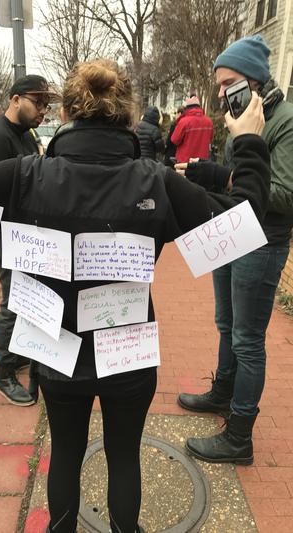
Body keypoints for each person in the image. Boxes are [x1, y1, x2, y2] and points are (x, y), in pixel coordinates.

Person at [0, 59, 269, 533]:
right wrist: (248, 141)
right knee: (124, 455)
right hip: (128, 353)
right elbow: (245, 221)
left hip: (57, 350)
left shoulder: (23, 176)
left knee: (65, 450)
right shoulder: (155, 183)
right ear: (125, 115)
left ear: (71, 112)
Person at [177, 35, 293, 465]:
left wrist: (222, 178)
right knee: (226, 324)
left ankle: (239, 435)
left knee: (247, 339)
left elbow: (283, 193)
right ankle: (222, 393)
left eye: (230, 83)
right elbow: (243, 176)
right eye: (219, 85)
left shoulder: (284, 121)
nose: (223, 94)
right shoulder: (242, 114)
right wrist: (212, 173)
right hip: (232, 232)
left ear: (257, 82)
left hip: (263, 243)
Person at [0, 74, 55, 406]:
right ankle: (4, 373)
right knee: (13, 301)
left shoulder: (26, 135)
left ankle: (16, 352)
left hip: (26, 234)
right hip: (7, 235)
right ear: (15, 99)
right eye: (38, 103)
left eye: (46, 106)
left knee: (26, 297)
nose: (43, 111)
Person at [170, 95, 213, 162]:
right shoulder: (209, 122)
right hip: (202, 163)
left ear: (187, 108)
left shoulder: (184, 121)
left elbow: (174, 140)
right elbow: (210, 140)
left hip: (185, 162)